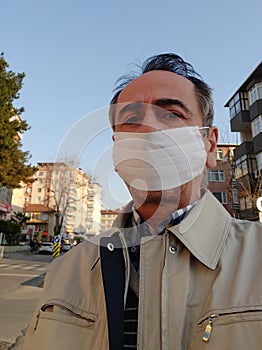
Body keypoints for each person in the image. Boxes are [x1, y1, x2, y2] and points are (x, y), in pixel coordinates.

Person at [23, 53, 262, 350]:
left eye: (172, 113)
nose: (148, 128)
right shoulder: (67, 271)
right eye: (131, 120)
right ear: (117, 149)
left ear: (209, 145)